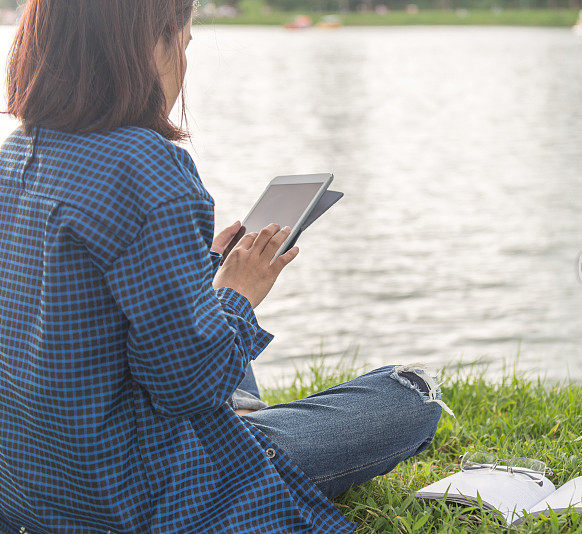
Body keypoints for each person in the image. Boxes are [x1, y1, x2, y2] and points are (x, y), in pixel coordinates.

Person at [0, 1, 447, 532]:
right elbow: (185, 387)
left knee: (206, 316)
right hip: (131, 495)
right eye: (184, 47)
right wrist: (238, 294)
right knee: (409, 395)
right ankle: (247, 422)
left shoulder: (16, 153)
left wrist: (198, 268)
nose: (183, 68)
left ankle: (242, 411)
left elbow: (77, 317)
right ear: (145, 49)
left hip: (28, 485)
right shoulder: (148, 167)